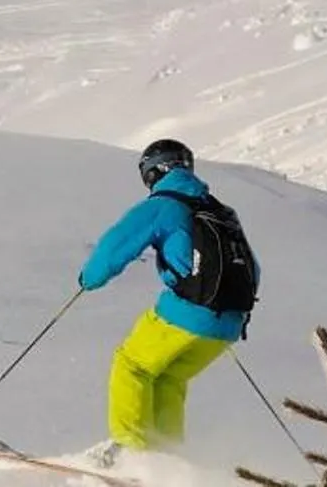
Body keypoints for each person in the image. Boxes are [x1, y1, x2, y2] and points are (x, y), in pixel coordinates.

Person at [77, 138, 257, 454]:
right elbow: (252, 267)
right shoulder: (220, 211)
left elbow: (113, 249)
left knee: (131, 365)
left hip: (188, 311)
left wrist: (88, 280)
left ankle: (128, 451)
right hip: (229, 322)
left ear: (151, 172)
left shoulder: (163, 205)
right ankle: (167, 457)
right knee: (168, 379)